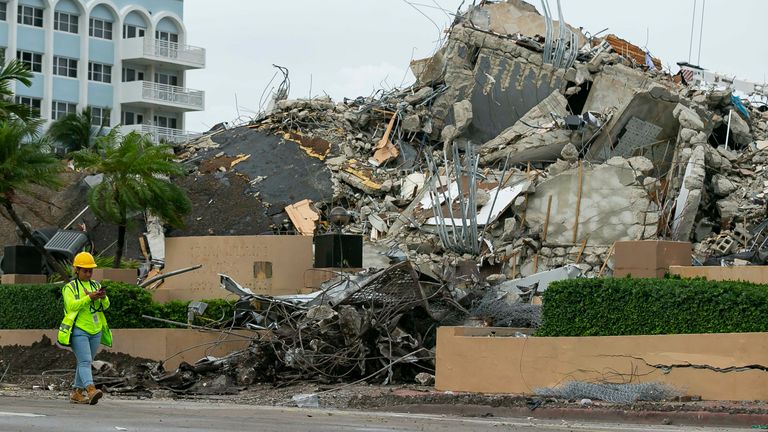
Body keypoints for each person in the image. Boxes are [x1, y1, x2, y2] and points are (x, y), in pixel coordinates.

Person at [56, 252, 113, 405]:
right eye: (85, 271)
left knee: (85, 362)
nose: (88, 273)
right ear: (77, 270)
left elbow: (106, 306)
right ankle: (91, 389)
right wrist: (88, 298)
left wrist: (103, 297)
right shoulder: (70, 287)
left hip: (95, 330)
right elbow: (71, 305)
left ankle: (76, 392)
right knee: (86, 361)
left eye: (90, 271)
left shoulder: (96, 285)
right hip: (78, 330)